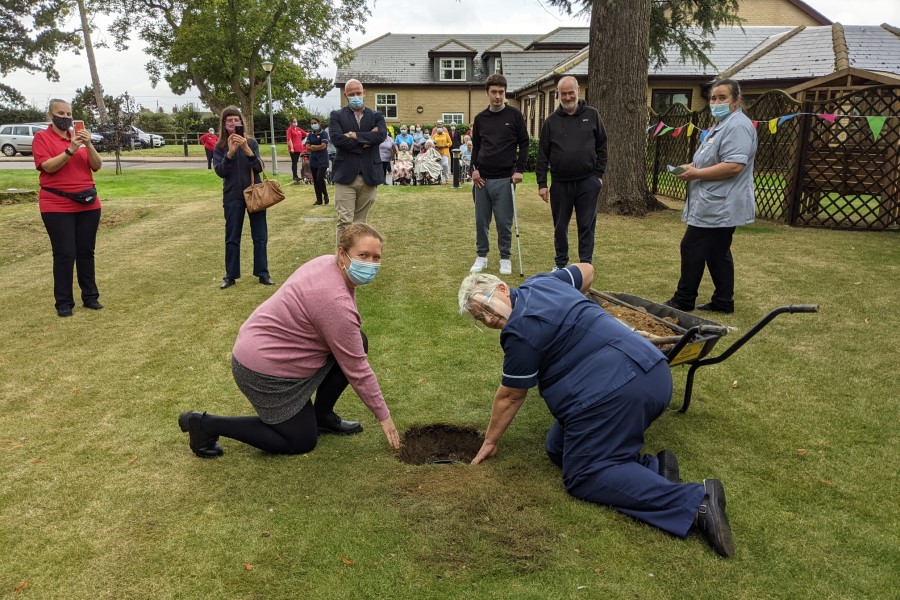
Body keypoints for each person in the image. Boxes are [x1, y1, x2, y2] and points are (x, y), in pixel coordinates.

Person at [459, 266, 736, 558]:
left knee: (583, 475)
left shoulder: (519, 332)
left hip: (615, 393)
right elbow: (587, 271)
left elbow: (511, 396)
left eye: (486, 307)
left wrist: (490, 441)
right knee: (558, 448)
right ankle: (656, 471)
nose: (490, 319)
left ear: (502, 289)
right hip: (654, 370)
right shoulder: (543, 283)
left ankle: (696, 505)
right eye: (481, 318)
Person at [179, 223, 401, 458]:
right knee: (300, 439)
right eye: (363, 255)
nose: (369, 264)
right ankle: (206, 424)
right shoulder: (334, 302)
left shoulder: (327, 263)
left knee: (357, 340)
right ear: (342, 253)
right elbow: (357, 368)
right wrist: (384, 417)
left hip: (269, 348)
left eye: (376, 257)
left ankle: (322, 416)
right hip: (262, 371)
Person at [665, 78, 758, 315]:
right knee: (717, 252)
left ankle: (684, 299)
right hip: (714, 201)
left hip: (720, 204)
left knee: (691, 246)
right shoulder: (722, 125)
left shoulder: (737, 126)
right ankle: (723, 301)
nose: (716, 102)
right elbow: (709, 160)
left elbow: (734, 165)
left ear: (736, 101)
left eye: (722, 98)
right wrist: (690, 167)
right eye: (713, 98)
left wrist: (697, 174)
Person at [32, 98, 104, 317]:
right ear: (50, 116)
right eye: (60, 113)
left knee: (86, 252)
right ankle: (64, 302)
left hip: (88, 203)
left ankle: (90, 297)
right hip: (57, 203)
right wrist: (70, 150)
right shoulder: (41, 138)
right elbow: (47, 167)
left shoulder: (78, 137)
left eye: (68, 114)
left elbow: (97, 166)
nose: (65, 117)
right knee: (65, 253)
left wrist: (88, 144)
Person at [536, 76, 608, 271]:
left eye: (571, 92)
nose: (568, 97)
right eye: (563, 94)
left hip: (587, 182)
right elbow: (543, 154)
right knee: (560, 226)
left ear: (578, 91)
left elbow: (602, 145)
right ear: (558, 95)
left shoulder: (592, 115)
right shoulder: (551, 121)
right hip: (560, 183)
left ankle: (585, 264)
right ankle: (560, 263)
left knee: (586, 225)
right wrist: (542, 183)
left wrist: (598, 175)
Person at [470, 73, 529, 276]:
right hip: (482, 180)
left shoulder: (514, 116)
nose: (497, 96)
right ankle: (482, 256)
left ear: (505, 93)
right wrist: (474, 170)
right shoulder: (480, 119)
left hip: (505, 178)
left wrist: (519, 169)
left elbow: (524, 143)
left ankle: (505, 258)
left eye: (501, 92)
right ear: (487, 93)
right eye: (494, 92)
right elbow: (476, 149)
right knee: (481, 221)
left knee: (504, 222)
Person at [213, 106, 274, 289]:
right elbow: (220, 171)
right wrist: (230, 153)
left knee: (260, 236)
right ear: (224, 124)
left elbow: (259, 167)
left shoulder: (252, 142)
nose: (233, 123)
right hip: (232, 196)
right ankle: (230, 275)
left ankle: (263, 273)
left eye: (236, 120)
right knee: (232, 237)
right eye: (229, 120)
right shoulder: (220, 146)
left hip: (254, 194)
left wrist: (247, 150)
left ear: (241, 122)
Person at [328, 79, 387, 242]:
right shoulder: (337, 116)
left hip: (369, 176)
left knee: (360, 223)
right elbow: (337, 140)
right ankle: (341, 260)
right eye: (352, 94)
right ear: (345, 95)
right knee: (345, 222)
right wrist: (368, 140)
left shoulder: (377, 115)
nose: (356, 97)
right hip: (345, 176)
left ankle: (357, 259)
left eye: (358, 93)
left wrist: (354, 135)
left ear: (364, 93)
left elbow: (381, 135)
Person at [306, 117, 330, 206]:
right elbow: (307, 148)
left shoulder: (324, 133)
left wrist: (313, 147)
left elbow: (323, 146)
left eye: (315, 123)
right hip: (313, 160)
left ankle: (326, 195)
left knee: (320, 178)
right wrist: (317, 147)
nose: (313, 124)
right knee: (315, 180)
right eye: (312, 123)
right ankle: (319, 199)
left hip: (323, 160)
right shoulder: (310, 135)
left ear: (319, 123)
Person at [286, 117, 308, 183]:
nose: (295, 123)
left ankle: (297, 176)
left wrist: (314, 133)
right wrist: (292, 148)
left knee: (297, 162)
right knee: (294, 162)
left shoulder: (298, 129)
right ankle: (295, 176)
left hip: (299, 148)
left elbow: (306, 134)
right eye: (294, 122)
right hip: (293, 149)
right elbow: (289, 139)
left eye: (296, 121)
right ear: (291, 123)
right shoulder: (289, 130)